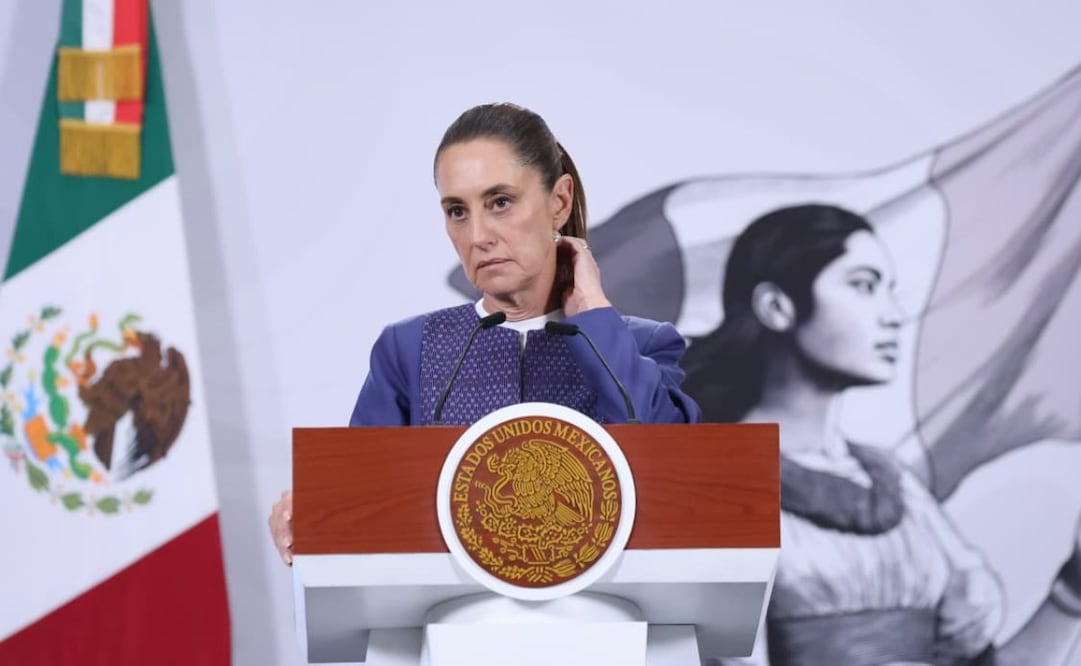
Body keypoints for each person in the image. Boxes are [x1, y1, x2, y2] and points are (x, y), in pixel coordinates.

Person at [268, 102, 701, 565]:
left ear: (559, 202)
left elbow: (674, 483)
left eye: (500, 202)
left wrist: (593, 313)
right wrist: (308, 515)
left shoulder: (642, 345)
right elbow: (360, 507)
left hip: (609, 628)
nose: (477, 235)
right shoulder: (410, 350)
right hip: (448, 630)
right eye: (457, 211)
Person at [681, 204, 1081, 665]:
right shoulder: (707, 486)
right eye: (864, 286)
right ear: (777, 307)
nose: (893, 315)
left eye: (891, 291)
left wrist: (1072, 589)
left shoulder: (894, 484)